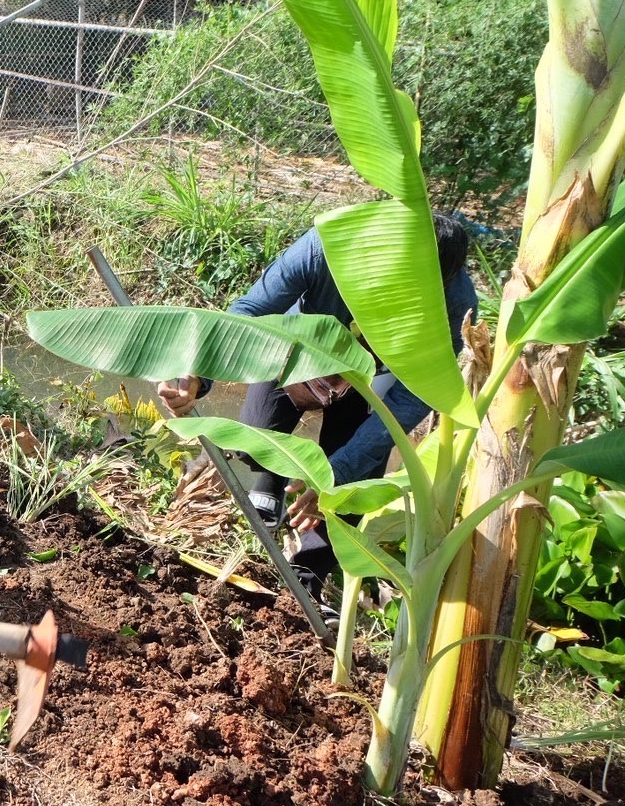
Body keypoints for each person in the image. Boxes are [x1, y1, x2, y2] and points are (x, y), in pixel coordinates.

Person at [157, 215, 478, 603]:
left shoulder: (455, 305)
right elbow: (249, 311)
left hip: (370, 377)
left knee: (351, 487)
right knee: (253, 439)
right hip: (296, 348)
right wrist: (196, 375)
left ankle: (308, 573)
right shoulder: (322, 249)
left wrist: (337, 474)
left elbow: (410, 400)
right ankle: (272, 486)